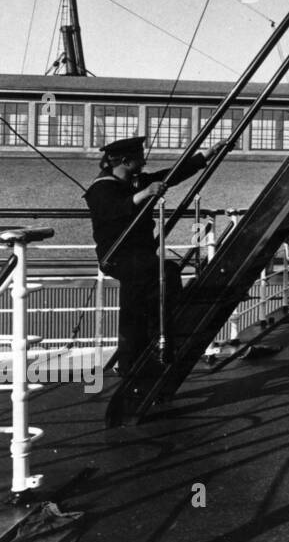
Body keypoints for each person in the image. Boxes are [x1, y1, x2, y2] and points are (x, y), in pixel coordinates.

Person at [83, 135, 212, 374]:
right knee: (164, 274)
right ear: (125, 161)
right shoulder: (100, 188)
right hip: (117, 257)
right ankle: (154, 343)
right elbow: (112, 210)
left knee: (152, 287)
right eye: (140, 158)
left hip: (140, 256)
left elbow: (171, 174)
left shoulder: (136, 181)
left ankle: (146, 350)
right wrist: (145, 194)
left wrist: (205, 156)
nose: (143, 162)